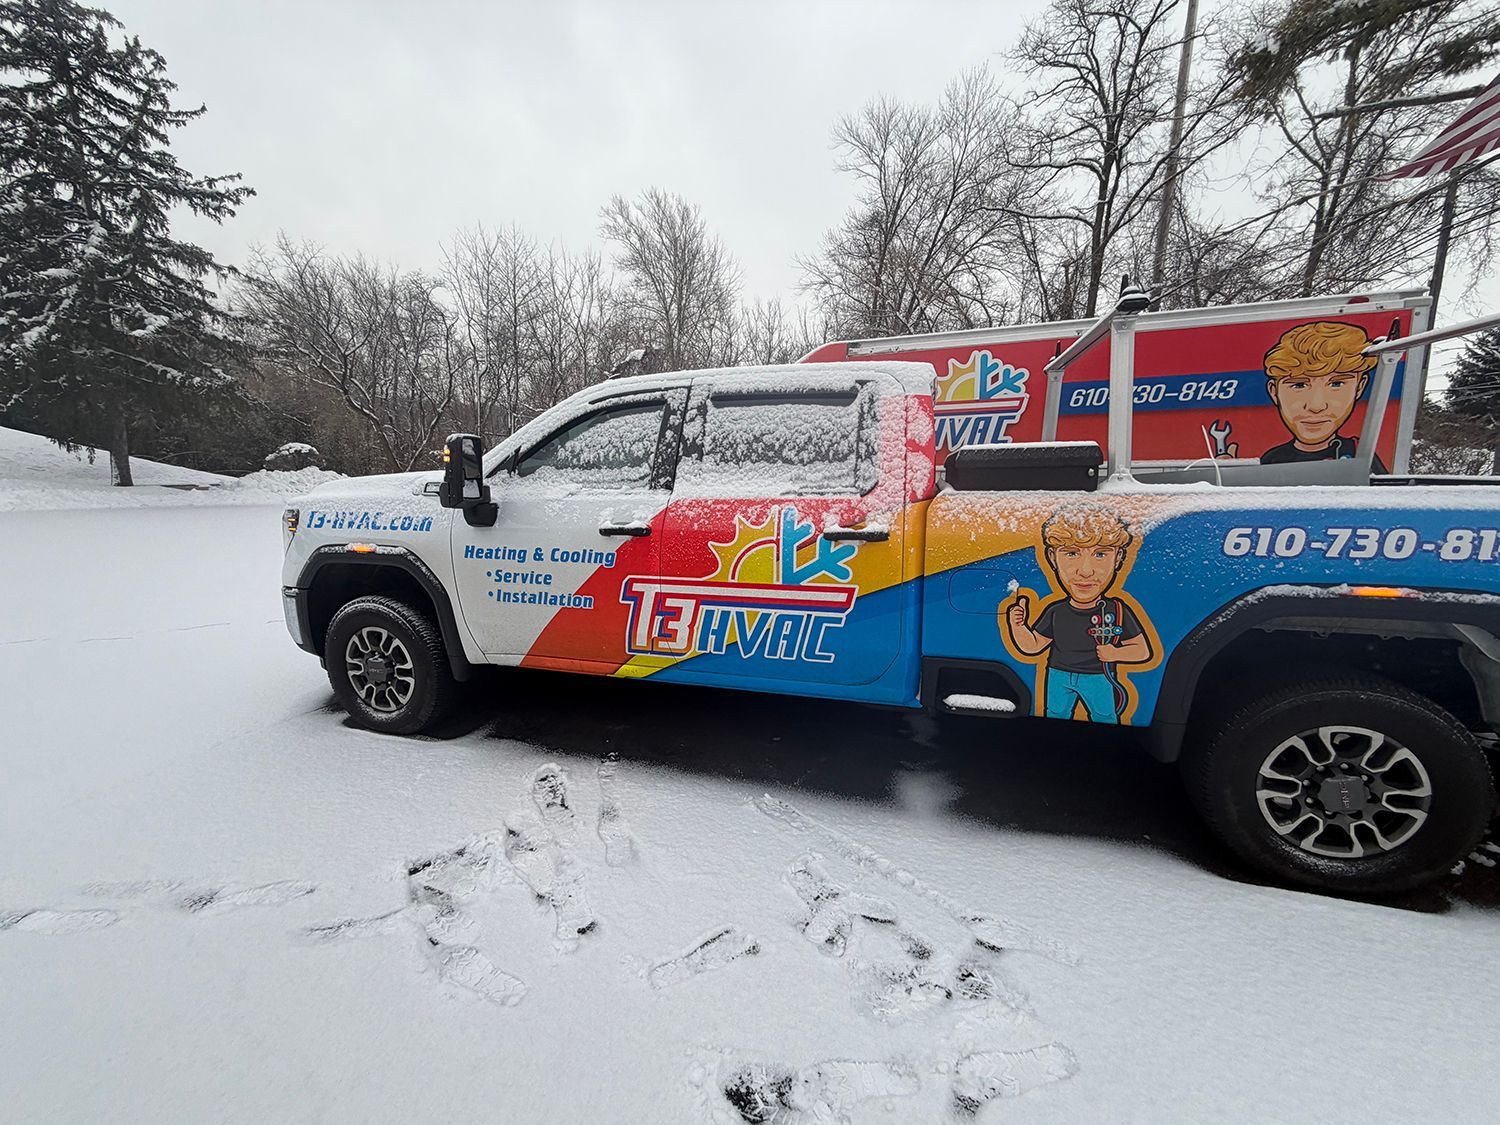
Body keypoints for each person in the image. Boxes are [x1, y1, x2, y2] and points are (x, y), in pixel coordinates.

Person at [1003, 508, 1152, 723]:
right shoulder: (1055, 611)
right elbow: (1033, 646)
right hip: (1058, 675)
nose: (1085, 571)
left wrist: (1115, 653)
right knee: (1055, 715)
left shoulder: (1117, 610)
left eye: (1100, 554)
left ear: (1118, 558)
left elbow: (1142, 650)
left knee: (1105, 717)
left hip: (1098, 678)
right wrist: (1018, 627)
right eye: (1071, 553)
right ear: (1052, 558)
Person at [1257, 321, 1387, 471]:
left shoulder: (1359, 452)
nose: (1316, 406)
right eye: (1299, 385)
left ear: (1360, 387)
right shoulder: (1272, 459)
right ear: (1274, 391)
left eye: (1336, 384)